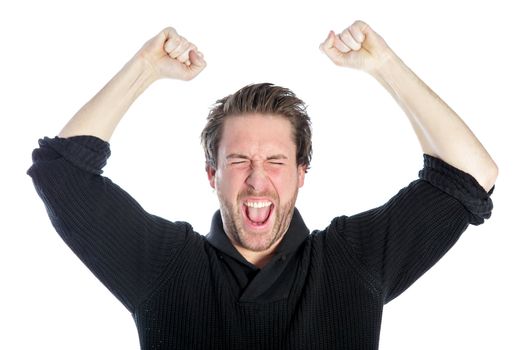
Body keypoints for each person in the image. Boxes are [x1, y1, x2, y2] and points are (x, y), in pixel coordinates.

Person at [28, 20, 497, 349]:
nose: (257, 179)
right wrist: (146, 67)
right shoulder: (166, 268)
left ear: (301, 173)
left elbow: (471, 174)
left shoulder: (351, 262)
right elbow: (60, 173)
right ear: (212, 175)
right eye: (238, 160)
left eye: (275, 160)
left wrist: (385, 66)